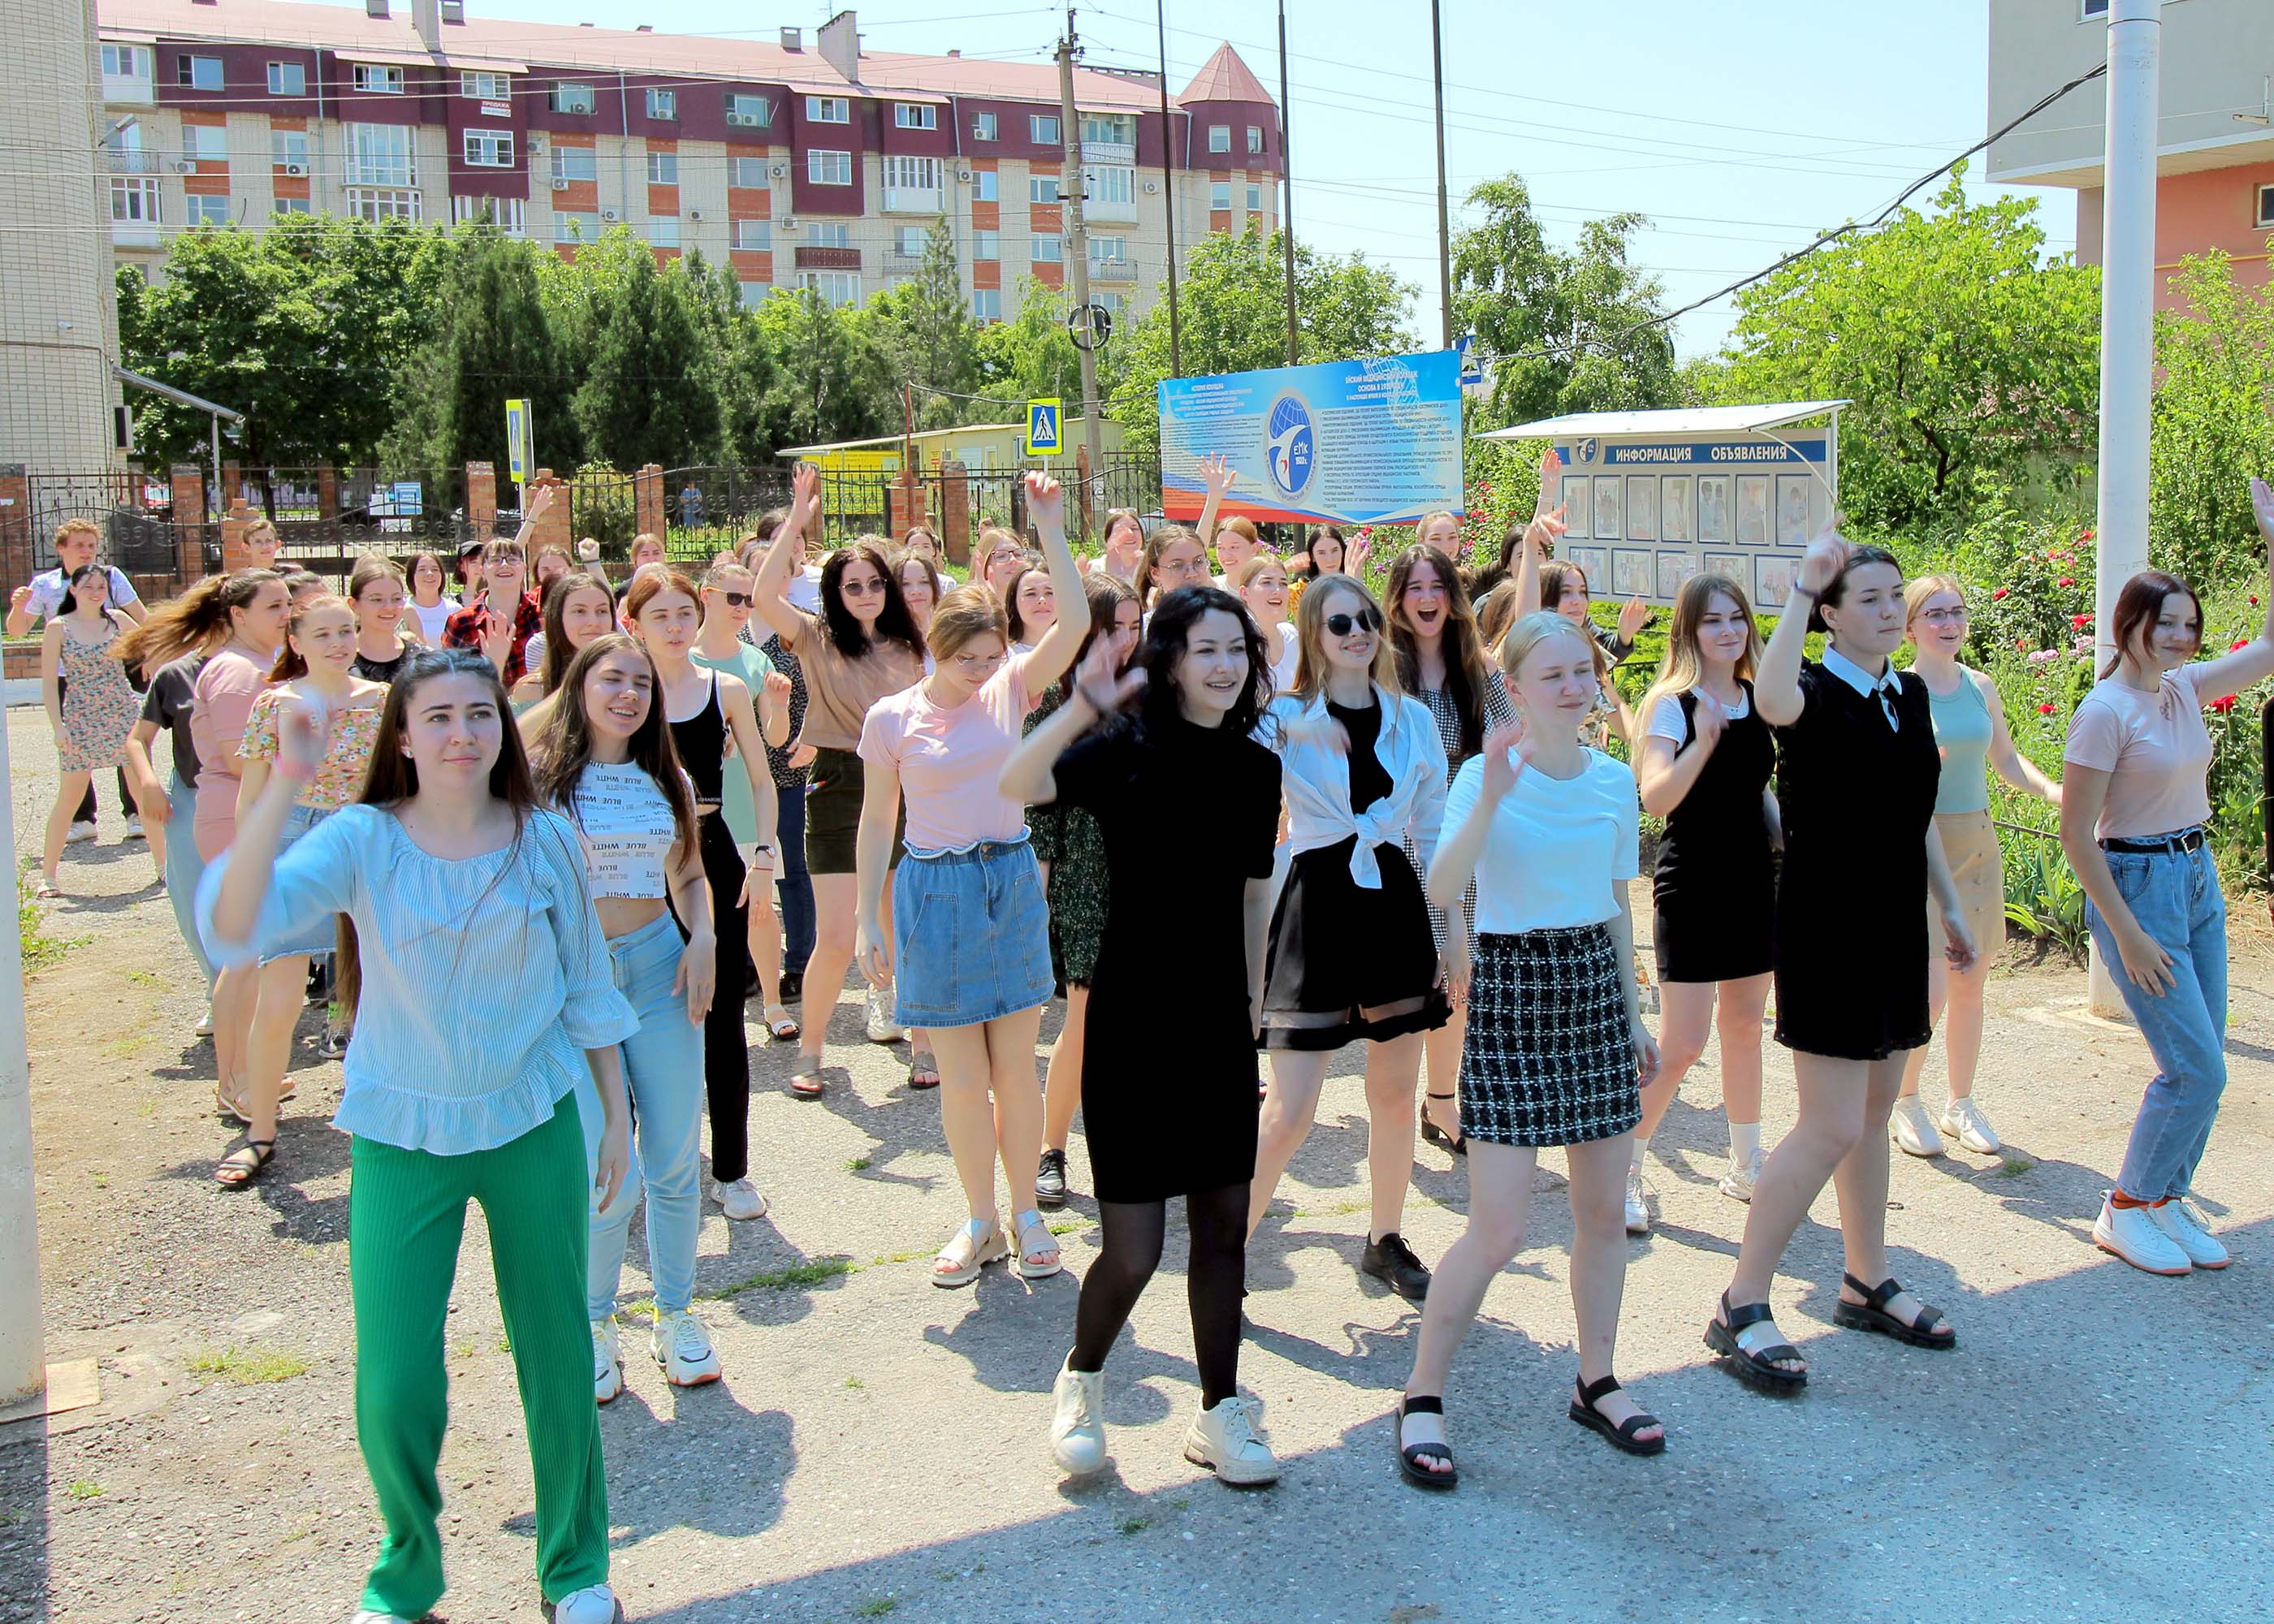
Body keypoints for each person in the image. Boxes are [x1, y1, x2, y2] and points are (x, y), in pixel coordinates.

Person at [201, 647, 633, 1624]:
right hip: (399, 1129)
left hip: (532, 1121)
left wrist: (612, 1123)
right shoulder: (363, 837)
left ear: (502, 729)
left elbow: (587, 985)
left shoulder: (546, 840)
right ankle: (407, 1572)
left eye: (479, 714)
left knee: (557, 1354)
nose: (461, 733)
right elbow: (234, 916)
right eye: (436, 716)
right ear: (402, 734)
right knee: (395, 1375)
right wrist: (283, 786)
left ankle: (574, 1568)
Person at [999, 585, 1283, 1488]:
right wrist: (1086, 702)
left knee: (1225, 1234)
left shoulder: (1252, 765)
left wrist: (1256, 1009)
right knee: (1135, 1247)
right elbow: (1016, 784)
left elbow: (1250, 892)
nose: (1225, 666)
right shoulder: (1123, 747)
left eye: (1236, 649)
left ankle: (1218, 1409)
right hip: (1127, 1016)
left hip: (1213, 1022)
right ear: (1166, 658)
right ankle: (1081, 1377)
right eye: (1205, 649)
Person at [1396, 610, 1663, 1487]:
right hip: (1511, 991)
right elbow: (1440, 884)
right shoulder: (1483, 772)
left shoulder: (1614, 778)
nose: (1574, 687)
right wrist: (1496, 797)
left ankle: (1597, 1378)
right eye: (1552, 675)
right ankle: (1422, 1394)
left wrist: (1632, 1018)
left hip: (1590, 988)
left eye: (1582, 671)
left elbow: (1619, 906)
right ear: (1513, 686)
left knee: (1601, 1212)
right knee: (1499, 1226)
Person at [1705, 533, 1974, 1395]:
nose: (1892, 608)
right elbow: (1772, 694)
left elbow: (1917, 811)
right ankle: (1741, 1299)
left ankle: (1865, 1277)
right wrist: (1796, 587)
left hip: (1898, 923)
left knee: (1876, 1105)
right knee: (1827, 1123)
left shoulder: (1906, 692)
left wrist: (1951, 904)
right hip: (1828, 929)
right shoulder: (1812, 690)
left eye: (1898, 594)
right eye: (1869, 597)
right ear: (1827, 612)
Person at [855, 471, 1090, 1285]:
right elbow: (877, 820)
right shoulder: (893, 718)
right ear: (935, 650)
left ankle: (1026, 1211)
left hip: (1009, 877)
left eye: (993, 656)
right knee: (960, 1074)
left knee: (1016, 1064)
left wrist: (1050, 526)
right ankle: (981, 1218)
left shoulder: (1009, 687)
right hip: (934, 890)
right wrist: (866, 917)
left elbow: (1076, 620)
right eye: (968, 659)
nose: (983, 670)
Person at [2060, 482, 2274, 1275]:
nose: (2182, 637)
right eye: (2167, 624)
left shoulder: (2181, 689)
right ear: (2131, 626)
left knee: (2203, 1054)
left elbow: (2270, 645)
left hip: (2195, 875)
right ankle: (2123, 1207)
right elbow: (2076, 836)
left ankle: (2164, 1199)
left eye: (2189, 626)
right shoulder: (2104, 709)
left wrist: (2272, 540)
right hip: (2135, 884)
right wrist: (2127, 931)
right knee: (2195, 1067)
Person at [530, 634, 729, 1393]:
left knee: (675, 1153)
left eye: (641, 683)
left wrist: (703, 934)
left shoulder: (665, 774)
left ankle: (676, 1313)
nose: (628, 694)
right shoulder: (542, 778)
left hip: (659, 967)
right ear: (579, 686)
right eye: (611, 678)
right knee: (597, 1164)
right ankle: (591, 1320)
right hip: (576, 980)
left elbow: (687, 873)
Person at [1248, 574, 1450, 1302]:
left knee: (1395, 1095)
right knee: (1291, 1106)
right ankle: (1228, 1249)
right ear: (1314, 632)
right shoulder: (1283, 714)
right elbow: (1216, 744)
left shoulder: (1412, 719)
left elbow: (1434, 833)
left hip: (1394, 902)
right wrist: (1289, 728)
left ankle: (1384, 1237)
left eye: (1367, 619)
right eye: (1341, 624)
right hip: (1317, 901)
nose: (1359, 632)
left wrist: (1453, 935)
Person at [750, 468, 927, 1099]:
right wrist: (797, 518)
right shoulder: (815, 637)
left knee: (901, 924)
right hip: (836, 782)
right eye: (853, 585)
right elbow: (765, 597)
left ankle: (922, 1043)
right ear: (836, 591)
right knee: (833, 935)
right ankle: (815, 1051)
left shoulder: (912, 646)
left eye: (876, 583)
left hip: (905, 787)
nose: (866, 593)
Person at [218, 594, 389, 1186]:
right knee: (280, 999)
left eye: (347, 630)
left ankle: (382, 1118)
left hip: (363, 841)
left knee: (378, 992)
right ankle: (260, 1131)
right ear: (295, 642)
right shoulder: (274, 703)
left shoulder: (383, 701)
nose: (340, 642)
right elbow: (252, 797)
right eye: (323, 634)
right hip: (293, 840)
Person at [624, 568, 778, 1218]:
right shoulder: (620, 690)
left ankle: (733, 1170)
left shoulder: (729, 687)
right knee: (636, 1013)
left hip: (711, 850)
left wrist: (764, 853)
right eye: (659, 615)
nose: (674, 625)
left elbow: (764, 780)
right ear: (632, 623)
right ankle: (632, 1167)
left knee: (721, 1018)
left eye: (684, 612)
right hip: (632, 863)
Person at [1892, 575, 2062, 1158]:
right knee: (1932, 990)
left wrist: (2056, 792)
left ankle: (1959, 1102)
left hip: (1978, 840)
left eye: (1957, 612)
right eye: (1935, 614)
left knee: (1971, 984)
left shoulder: (1980, 685)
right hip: (1921, 846)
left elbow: (2009, 761)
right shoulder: (1898, 690)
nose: (1949, 624)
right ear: (1909, 626)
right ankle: (1905, 1100)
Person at [1628, 573, 1779, 1227]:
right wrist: (1705, 743)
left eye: (1736, 618)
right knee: (1681, 1042)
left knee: (1745, 1029)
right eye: (1712, 621)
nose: (1727, 631)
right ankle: (1625, 1166)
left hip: (1752, 882)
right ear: (1688, 631)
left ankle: (1747, 1165)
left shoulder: (1758, 698)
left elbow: (1758, 789)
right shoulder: (1671, 704)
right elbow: (1655, 796)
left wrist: (1785, 838)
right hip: (1691, 884)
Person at [1383, 542, 1519, 1164]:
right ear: (1398, 599)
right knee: (1408, 981)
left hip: (1461, 838)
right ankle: (1396, 1109)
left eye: (1436, 586)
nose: (1427, 599)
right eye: (1414, 588)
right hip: (1396, 840)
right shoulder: (1383, 667)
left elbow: (1514, 735)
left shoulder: (1478, 667)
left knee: (1457, 979)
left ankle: (1442, 1099)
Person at [1028, 575, 1142, 1208]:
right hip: (1085, 877)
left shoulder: (1153, 693)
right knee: (1085, 1017)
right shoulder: (1057, 703)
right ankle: (1053, 1148)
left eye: (1134, 627)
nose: (1126, 641)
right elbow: (1038, 810)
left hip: (1149, 876)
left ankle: (1132, 1143)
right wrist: (1036, 896)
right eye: (1113, 628)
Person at [690, 562, 798, 1046]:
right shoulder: (681, 656)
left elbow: (776, 739)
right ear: (706, 596)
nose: (741, 609)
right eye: (732, 598)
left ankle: (772, 1002)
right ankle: (710, 1000)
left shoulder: (756, 662)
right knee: (704, 908)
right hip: (698, 807)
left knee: (759, 908)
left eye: (748, 600)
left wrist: (778, 703)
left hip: (747, 798)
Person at [11, 519, 147, 846]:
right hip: (66, 677)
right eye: (79, 546)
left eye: (91, 545)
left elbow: (143, 621)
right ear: (61, 549)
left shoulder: (111, 578)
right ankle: (83, 818)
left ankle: (135, 814)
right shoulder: (44, 585)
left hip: (111, 677)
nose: (87, 552)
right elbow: (17, 630)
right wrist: (18, 607)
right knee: (74, 746)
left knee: (125, 744)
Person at [120, 624, 218, 1013]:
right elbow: (137, 739)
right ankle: (218, 987)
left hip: (257, 798)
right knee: (191, 897)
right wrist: (148, 783)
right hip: (191, 797)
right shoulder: (175, 675)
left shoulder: (269, 668)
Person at [37, 566, 151, 896]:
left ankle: (164, 868)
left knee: (143, 793)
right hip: (80, 715)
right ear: (73, 590)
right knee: (69, 799)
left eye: (101, 586)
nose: (95, 591)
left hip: (121, 713)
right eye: (88, 586)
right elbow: (48, 684)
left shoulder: (117, 619)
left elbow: (150, 641)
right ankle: (48, 876)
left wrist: (150, 661)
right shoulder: (58, 627)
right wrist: (58, 727)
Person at [442, 486, 556, 685]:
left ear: (524, 568)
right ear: (482, 571)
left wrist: (534, 516)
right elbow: (449, 683)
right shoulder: (462, 622)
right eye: (495, 560)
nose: (504, 565)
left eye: (512, 560)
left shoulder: (545, 610)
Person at [513, 571, 616, 715]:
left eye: (602, 611)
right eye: (579, 611)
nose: (594, 622)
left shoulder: (629, 681)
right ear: (557, 619)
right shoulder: (533, 690)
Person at [348, 555, 417, 685]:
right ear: (354, 605)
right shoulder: (339, 659)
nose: (389, 607)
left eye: (396, 599)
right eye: (377, 600)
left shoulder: (422, 659)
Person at [1234, 555, 1298, 692]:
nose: (1277, 591)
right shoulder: (1236, 642)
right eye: (1267, 583)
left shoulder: (1292, 636)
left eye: (1283, 584)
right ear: (1244, 593)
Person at [405, 551, 459, 645]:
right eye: (422, 569)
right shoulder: (402, 609)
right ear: (411, 576)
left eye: (435, 569)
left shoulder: (455, 610)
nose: (430, 573)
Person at [1005, 564, 1058, 654]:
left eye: (1049, 593)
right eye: (1031, 594)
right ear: (1014, 601)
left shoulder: (1077, 649)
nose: (1042, 600)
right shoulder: (1002, 654)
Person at [897, 550, 944, 648]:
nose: (916, 591)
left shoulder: (948, 631)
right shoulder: (886, 641)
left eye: (924, 582)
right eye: (905, 584)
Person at [1090, 509, 1144, 585]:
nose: (1130, 533)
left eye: (1134, 528)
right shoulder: (1094, 569)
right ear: (1109, 538)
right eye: (1121, 530)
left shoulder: (1153, 566)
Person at [979, 529, 1031, 601]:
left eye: (1018, 554)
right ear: (983, 565)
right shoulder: (969, 608)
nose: (1013, 559)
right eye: (1001, 556)